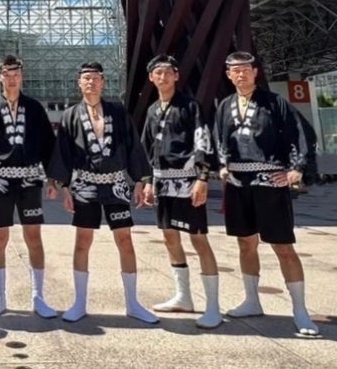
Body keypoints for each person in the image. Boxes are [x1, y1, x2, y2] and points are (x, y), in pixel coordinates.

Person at [214, 51, 319, 338]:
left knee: (283, 246)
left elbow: (301, 133)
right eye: (235, 70)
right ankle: (252, 300)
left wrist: (297, 168)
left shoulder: (275, 103)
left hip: (270, 180)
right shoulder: (225, 105)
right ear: (228, 75)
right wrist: (222, 165)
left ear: (255, 72)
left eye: (245, 69)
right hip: (238, 181)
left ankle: (300, 309)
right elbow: (219, 138)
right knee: (245, 243)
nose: (241, 74)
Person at [48, 61, 157, 324]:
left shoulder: (118, 111)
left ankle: (133, 303)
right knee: (82, 241)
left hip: (116, 183)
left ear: (103, 82)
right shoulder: (71, 115)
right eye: (86, 78)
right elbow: (63, 152)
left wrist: (141, 180)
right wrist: (63, 187)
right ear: (79, 83)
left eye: (96, 77)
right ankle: (79, 303)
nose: (91, 82)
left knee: (125, 240)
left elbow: (133, 145)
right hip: (85, 185)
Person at [0, 54, 58, 319]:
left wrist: (53, 179)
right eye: (7, 75)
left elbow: (48, 145)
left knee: (34, 236)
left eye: (16, 75)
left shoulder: (34, 108)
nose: (12, 80)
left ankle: (38, 297)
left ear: (22, 76)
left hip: (30, 180)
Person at [140, 54, 222, 329]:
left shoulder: (190, 106)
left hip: (188, 180)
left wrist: (202, 178)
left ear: (176, 76)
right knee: (169, 237)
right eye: (157, 73)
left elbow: (202, 141)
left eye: (167, 72)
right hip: (163, 182)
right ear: (151, 78)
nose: (162, 77)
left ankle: (213, 306)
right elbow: (148, 148)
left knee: (198, 239)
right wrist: (148, 181)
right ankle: (183, 296)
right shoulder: (152, 110)